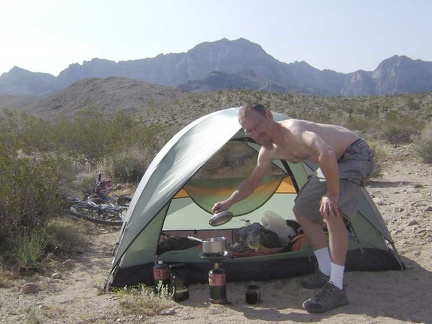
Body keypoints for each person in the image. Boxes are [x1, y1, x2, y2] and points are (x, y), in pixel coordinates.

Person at [212, 103, 375, 313]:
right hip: (330, 163)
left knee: (330, 211)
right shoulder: (268, 151)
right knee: (302, 210)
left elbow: (326, 152)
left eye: (257, 126)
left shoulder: (295, 131)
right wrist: (228, 202)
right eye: (248, 131)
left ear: (269, 116)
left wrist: (332, 195)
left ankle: (337, 287)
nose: (254, 133)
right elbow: (252, 182)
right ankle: (326, 270)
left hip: (353, 155)